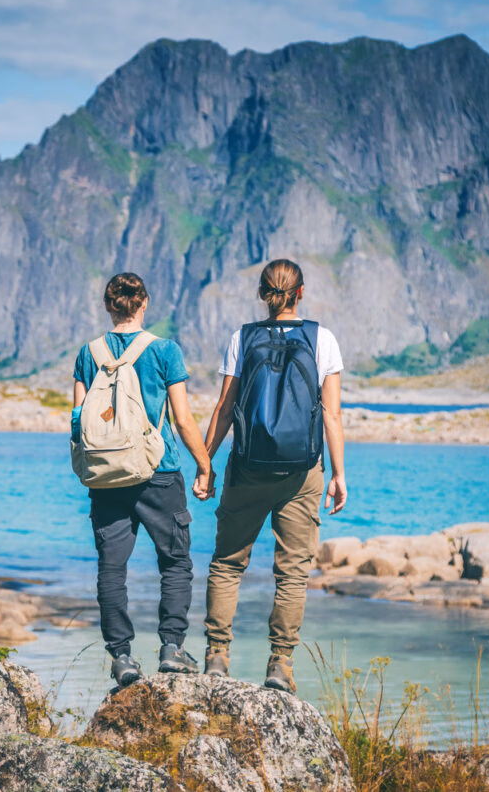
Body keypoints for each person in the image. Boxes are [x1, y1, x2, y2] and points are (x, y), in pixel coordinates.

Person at [198, 258, 347, 694]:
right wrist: (338, 474)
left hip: (246, 467)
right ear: (301, 293)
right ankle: (280, 664)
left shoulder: (242, 337)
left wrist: (205, 464)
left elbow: (225, 408)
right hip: (302, 473)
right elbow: (333, 416)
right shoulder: (323, 339)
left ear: (264, 293)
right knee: (293, 574)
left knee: (227, 564)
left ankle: (217, 657)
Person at [73, 272, 214, 688]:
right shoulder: (165, 351)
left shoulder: (88, 353)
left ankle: (121, 657)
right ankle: (172, 648)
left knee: (111, 568)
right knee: (175, 561)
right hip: (159, 471)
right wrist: (204, 466)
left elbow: (80, 419)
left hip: (106, 477)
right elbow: (183, 419)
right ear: (145, 303)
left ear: (107, 305)